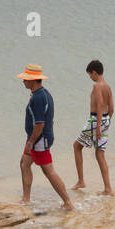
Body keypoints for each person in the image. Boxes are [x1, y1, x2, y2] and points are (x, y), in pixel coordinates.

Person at [17, 64, 74, 210]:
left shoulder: (38, 98)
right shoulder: (42, 94)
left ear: (33, 80)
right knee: (24, 163)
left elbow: (40, 124)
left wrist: (31, 142)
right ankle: (26, 198)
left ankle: (68, 202)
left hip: (39, 139)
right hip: (36, 138)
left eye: (26, 79)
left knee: (48, 171)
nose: (23, 81)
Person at [71, 59, 115, 195]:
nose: (90, 77)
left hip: (96, 120)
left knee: (76, 146)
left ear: (94, 73)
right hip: (106, 120)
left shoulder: (97, 86)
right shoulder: (107, 86)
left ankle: (81, 180)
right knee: (100, 154)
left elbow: (101, 104)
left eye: (90, 75)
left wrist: (98, 127)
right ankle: (108, 189)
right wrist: (105, 124)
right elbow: (111, 108)